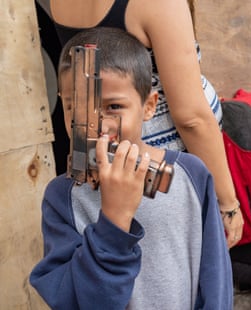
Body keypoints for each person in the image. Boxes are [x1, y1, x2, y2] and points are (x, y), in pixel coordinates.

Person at [29, 27, 233, 309]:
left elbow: (215, 277)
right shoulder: (62, 196)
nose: (97, 125)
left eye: (113, 106)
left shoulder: (190, 175)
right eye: (75, 108)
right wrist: (113, 221)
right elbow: (75, 301)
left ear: (148, 106)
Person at [46, 0, 243, 247]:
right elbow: (191, 117)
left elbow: (85, 81)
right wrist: (227, 203)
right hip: (157, 168)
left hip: (101, 157)